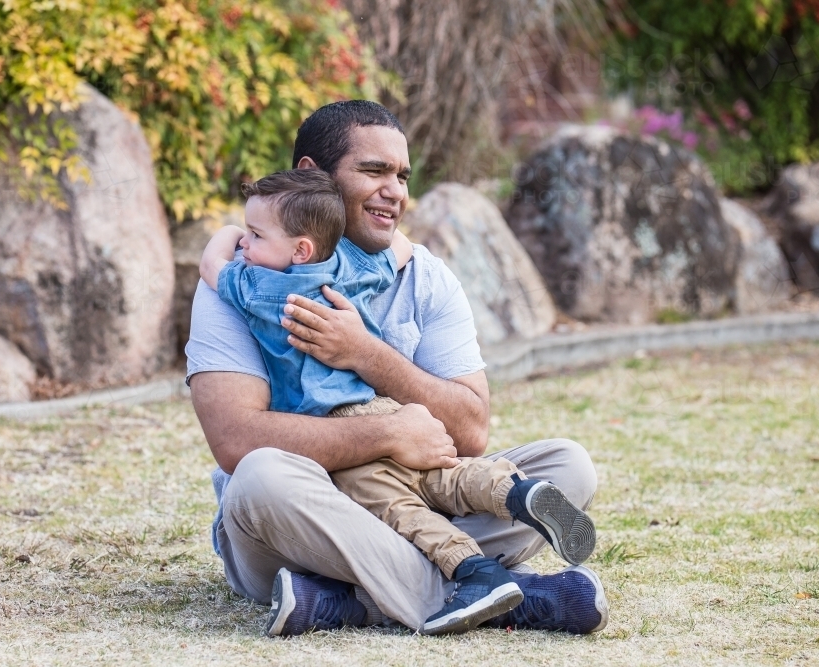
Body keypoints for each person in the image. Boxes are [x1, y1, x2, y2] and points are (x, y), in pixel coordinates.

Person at [186, 99, 608, 636]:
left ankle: (347, 602)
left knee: (567, 467)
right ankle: (511, 595)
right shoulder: (249, 276)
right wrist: (388, 432)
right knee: (260, 477)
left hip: (418, 492)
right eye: (374, 171)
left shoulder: (424, 276)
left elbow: (471, 430)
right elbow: (235, 439)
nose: (396, 191)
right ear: (313, 176)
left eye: (403, 176)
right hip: (296, 524)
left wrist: (365, 353)